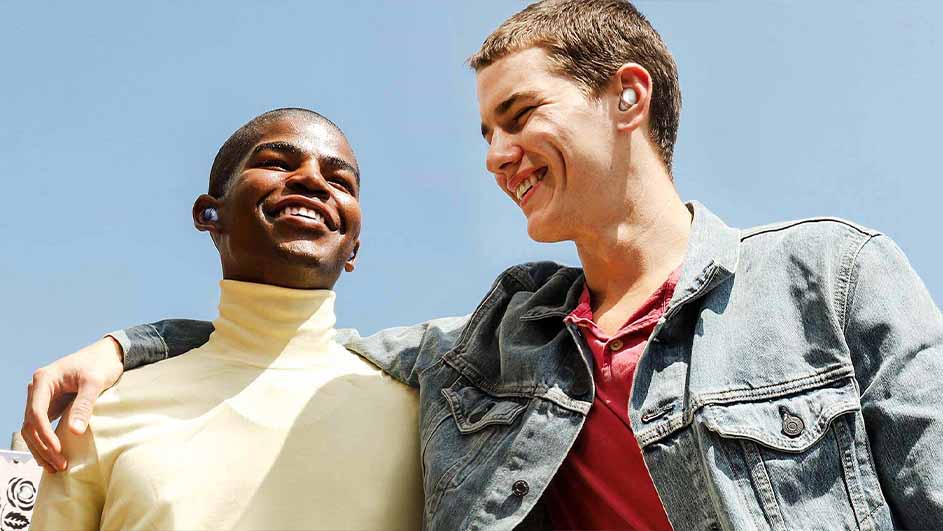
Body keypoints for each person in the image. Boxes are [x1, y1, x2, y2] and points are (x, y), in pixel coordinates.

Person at [24, 1, 943, 529]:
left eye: (517, 115)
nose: (496, 155)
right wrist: (124, 347)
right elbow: (286, 342)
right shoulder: (494, 348)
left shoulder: (830, 275)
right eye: (484, 133)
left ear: (626, 96)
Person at [30, 108, 423, 530]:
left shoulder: (427, 418)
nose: (312, 180)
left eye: (340, 181)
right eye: (276, 163)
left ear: (353, 248)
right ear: (208, 214)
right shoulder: (102, 411)